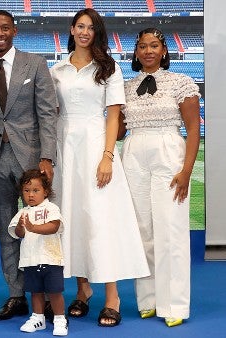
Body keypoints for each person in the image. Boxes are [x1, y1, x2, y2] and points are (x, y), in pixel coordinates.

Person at [49, 8, 150, 327]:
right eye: (80, 26)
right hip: (66, 148)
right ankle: (82, 290)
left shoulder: (109, 68)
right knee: (72, 216)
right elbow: (51, 113)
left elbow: (114, 115)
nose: (84, 32)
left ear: (97, 32)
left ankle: (112, 296)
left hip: (96, 147)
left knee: (101, 219)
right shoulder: (57, 70)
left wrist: (108, 155)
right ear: (71, 28)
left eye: (90, 27)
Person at [0, 10, 58, 322]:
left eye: (5, 27)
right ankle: (16, 295)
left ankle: (47, 298)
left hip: (33, 161)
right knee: (7, 231)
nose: (0, 33)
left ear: (14, 30)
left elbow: (48, 113)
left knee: (41, 230)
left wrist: (47, 158)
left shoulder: (36, 63)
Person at [121, 27, 200, 328]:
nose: (149, 51)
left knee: (172, 228)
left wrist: (186, 170)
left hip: (169, 151)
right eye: (143, 46)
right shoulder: (127, 87)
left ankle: (175, 303)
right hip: (133, 152)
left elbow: (193, 129)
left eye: (154, 46)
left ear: (164, 51)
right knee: (142, 229)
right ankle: (148, 299)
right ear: (136, 52)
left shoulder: (182, 82)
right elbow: (118, 127)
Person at [8, 169, 67, 336]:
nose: (31, 195)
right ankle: (37, 318)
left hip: (51, 260)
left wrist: (34, 227)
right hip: (30, 260)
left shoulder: (51, 208)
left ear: (46, 191)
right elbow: (18, 234)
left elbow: (54, 226)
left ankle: (60, 319)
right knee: (36, 292)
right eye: (26, 191)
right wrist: (21, 226)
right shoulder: (22, 212)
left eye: (36, 190)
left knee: (54, 292)